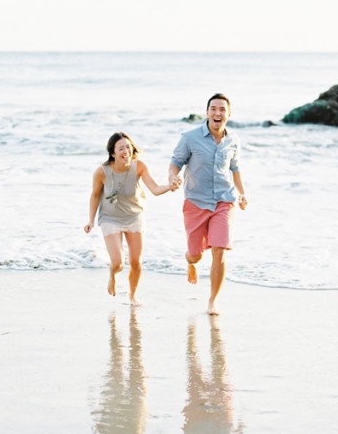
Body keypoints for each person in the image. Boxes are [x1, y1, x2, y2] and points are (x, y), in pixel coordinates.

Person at [169, 93, 249, 316]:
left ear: (229, 114)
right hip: (196, 202)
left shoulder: (233, 141)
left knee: (220, 249)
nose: (217, 113)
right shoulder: (189, 137)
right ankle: (190, 261)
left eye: (222, 109)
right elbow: (175, 163)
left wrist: (242, 194)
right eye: (213, 108)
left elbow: (235, 169)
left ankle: (213, 300)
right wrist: (172, 178)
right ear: (207, 113)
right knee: (196, 254)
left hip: (224, 200)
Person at [85, 131, 181, 306]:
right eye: (121, 148)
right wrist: (91, 221)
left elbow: (155, 189)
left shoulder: (139, 167)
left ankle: (133, 295)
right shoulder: (102, 172)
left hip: (134, 217)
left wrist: (170, 186)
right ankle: (112, 275)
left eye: (128, 147)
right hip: (110, 218)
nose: (126, 151)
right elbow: (94, 196)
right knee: (118, 263)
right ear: (113, 153)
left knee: (136, 262)